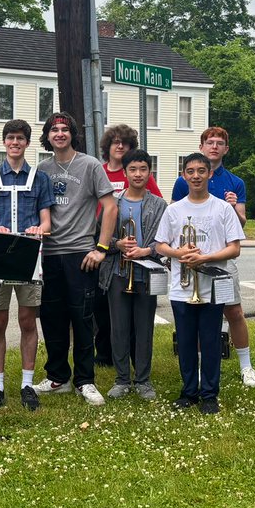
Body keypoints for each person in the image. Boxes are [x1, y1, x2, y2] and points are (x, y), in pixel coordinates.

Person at [34, 112, 117, 407]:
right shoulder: (42, 169)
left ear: (72, 134)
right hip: (49, 254)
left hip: (81, 254)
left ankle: (85, 380)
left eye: (65, 129)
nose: (59, 133)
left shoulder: (90, 165)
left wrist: (101, 248)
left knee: (82, 320)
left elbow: (110, 207)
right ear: (48, 136)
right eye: (54, 129)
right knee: (52, 319)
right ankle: (58, 378)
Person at [155, 152, 244, 414]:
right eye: (191, 171)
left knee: (210, 340)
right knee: (185, 342)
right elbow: (160, 245)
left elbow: (235, 248)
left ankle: (209, 394)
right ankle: (189, 392)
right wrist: (178, 253)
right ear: (184, 176)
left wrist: (204, 258)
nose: (196, 176)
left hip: (213, 286)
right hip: (181, 288)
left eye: (201, 171)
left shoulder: (223, 208)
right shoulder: (173, 210)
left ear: (209, 174)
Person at [170, 126, 255, 387]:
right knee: (197, 313)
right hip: (192, 259)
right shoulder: (183, 180)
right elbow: (176, 217)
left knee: (234, 311)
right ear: (202, 147)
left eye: (220, 143)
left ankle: (246, 366)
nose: (214, 147)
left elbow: (241, 224)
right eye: (210, 142)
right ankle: (199, 368)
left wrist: (234, 208)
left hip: (221, 260)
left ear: (226, 149)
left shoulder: (235, 182)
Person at [0, 119, 52, 412]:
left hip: (28, 257)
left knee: (27, 321)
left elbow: (46, 222)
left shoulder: (39, 178)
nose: (15, 143)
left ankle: (27, 384)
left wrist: (38, 229)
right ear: (4, 142)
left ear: (27, 143)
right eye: (10, 138)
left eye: (20, 138)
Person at [99, 150, 166, 400]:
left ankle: (143, 380)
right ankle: (122, 379)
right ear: (125, 172)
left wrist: (145, 251)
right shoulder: (113, 203)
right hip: (118, 273)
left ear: (150, 172)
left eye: (143, 169)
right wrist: (117, 244)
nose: (138, 174)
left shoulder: (159, 205)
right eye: (133, 169)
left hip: (146, 274)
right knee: (118, 328)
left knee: (144, 329)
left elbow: (165, 241)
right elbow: (99, 237)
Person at [94, 125, 161, 367]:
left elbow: (159, 222)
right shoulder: (101, 175)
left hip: (142, 265)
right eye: (115, 142)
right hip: (111, 257)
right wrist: (112, 243)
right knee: (109, 316)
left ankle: (139, 367)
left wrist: (147, 249)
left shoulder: (150, 191)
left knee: (139, 322)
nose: (120, 146)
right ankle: (110, 361)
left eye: (125, 143)